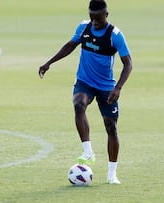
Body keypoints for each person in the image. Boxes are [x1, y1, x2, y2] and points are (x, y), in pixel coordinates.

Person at [39, 0, 132, 184]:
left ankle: (112, 173)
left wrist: (118, 87)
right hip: (85, 82)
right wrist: (49, 62)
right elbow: (70, 45)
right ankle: (88, 151)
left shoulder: (115, 35)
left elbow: (128, 63)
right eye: (92, 18)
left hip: (106, 87)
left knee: (111, 127)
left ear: (106, 15)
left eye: (98, 19)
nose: (95, 22)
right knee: (78, 104)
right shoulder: (84, 27)